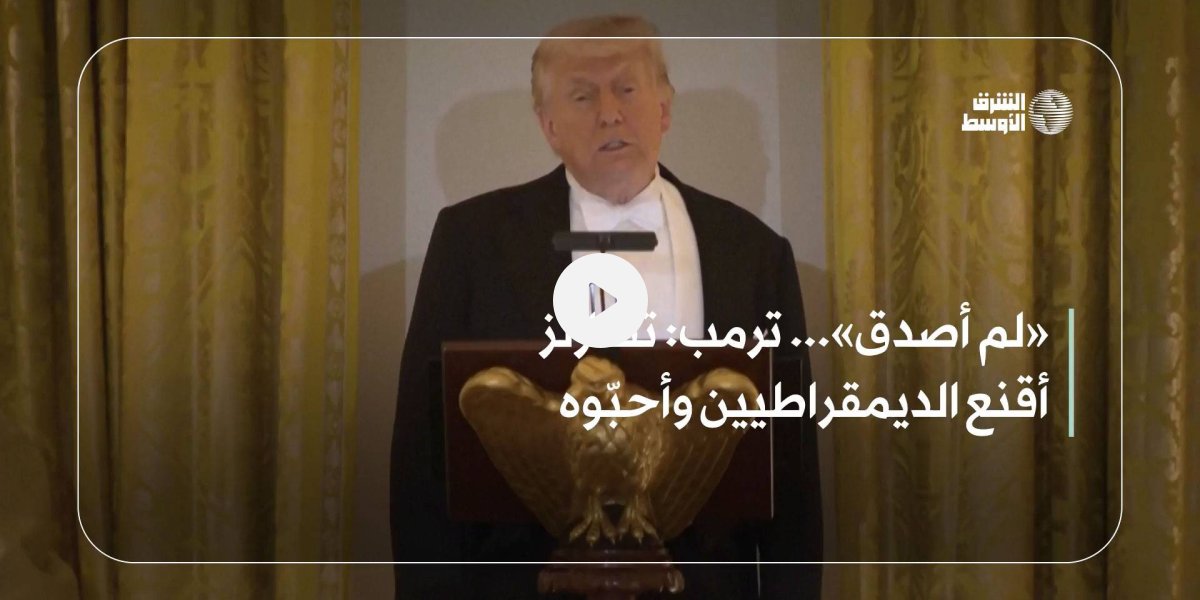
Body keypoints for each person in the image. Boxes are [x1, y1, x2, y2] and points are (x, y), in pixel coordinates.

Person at [391, 15, 822, 598]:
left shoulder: (756, 253)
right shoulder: (470, 242)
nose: (610, 113)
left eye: (626, 88)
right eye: (582, 95)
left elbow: (793, 472)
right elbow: (423, 458)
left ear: (664, 108)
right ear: (548, 125)